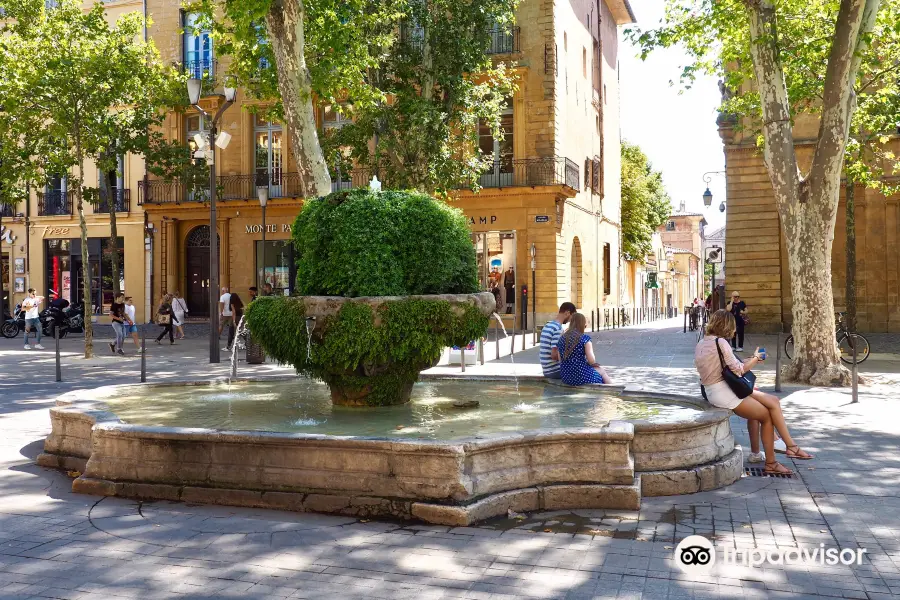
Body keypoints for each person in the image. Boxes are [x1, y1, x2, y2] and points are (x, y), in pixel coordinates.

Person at [695, 310, 813, 475]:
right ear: (725, 325)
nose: (734, 330)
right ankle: (772, 462)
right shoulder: (721, 342)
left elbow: (728, 365)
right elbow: (739, 370)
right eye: (733, 326)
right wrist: (756, 359)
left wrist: (752, 358)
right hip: (724, 391)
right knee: (766, 415)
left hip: (715, 390)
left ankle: (780, 449)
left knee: (772, 401)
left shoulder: (702, 343)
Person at [556, 313, 612, 385]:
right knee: (601, 371)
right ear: (582, 325)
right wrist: (591, 364)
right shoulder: (585, 338)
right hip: (582, 376)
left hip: (566, 377)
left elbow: (560, 359)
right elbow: (592, 360)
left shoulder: (561, 338)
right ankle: (612, 390)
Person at [539, 302, 577, 379]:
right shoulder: (558, 328)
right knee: (586, 371)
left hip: (546, 370)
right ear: (567, 313)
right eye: (571, 317)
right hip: (555, 371)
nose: (570, 321)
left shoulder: (548, 325)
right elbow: (554, 355)